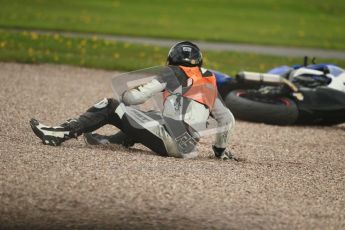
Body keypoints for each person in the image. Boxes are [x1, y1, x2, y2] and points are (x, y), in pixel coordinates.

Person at [30, 41, 236, 160]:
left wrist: (122, 103)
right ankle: (108, 141)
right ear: (199, 62)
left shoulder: (171, 72)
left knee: (111, 106)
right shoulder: (209, 82)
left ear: (170, 60)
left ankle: (59, 132)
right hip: (188, 146)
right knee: (152, 116)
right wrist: (219, 150)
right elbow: (227, 120)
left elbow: (136, 97)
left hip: (171, 143)